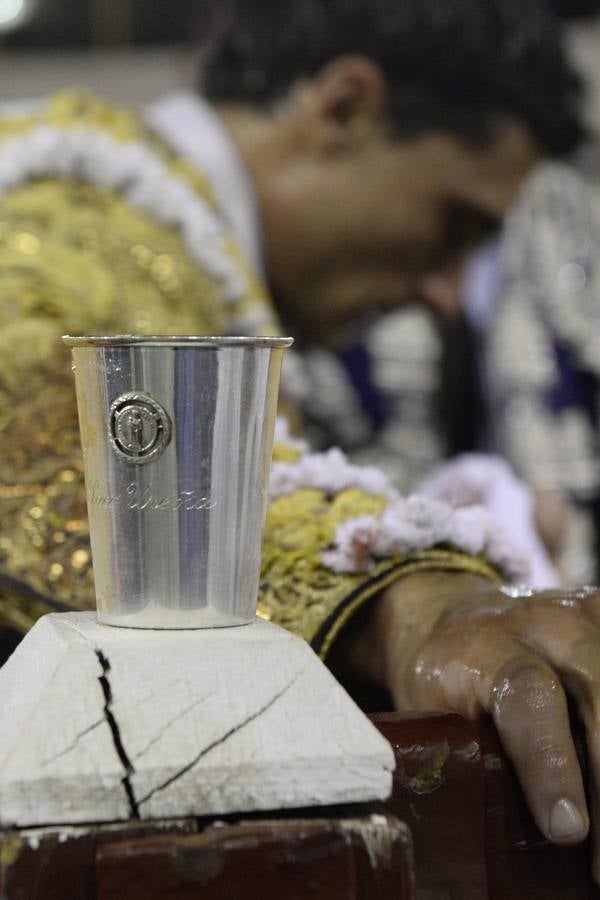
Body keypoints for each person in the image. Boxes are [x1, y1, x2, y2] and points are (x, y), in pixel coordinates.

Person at [1, 0, 599, 877]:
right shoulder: (68, 219)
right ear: (346, 108)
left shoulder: (156, 234)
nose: (444, 292)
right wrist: (415, 596)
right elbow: (42, 423)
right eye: (455, 225)